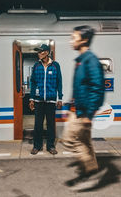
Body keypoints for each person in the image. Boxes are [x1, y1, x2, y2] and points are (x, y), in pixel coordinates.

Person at [62, 25, 105, 190]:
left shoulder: (91, 61)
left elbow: (97, 88)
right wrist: (69, 105)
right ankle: (92, 170)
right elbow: (79, 87)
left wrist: (89, 114)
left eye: (74, 37)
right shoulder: (81, 60)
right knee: (85, 143)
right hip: (77, 110)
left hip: (83, 113)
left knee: (70, 140)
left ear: (84, 40)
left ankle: (90, 173)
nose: (70, 40)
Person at [29, 44, 63, 155]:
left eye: (41, 51)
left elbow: (59, 82)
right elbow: (33, 83)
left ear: (47, 52)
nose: (39, 53)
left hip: (51, 100)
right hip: (39, 101)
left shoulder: (55, 65)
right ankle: (37, 146)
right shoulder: (36, 66)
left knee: (50, 125)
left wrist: (60, 98)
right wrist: (32, 98)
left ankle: (51, 146)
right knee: (38, 125)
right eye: (38, 52)